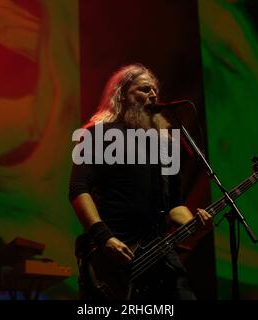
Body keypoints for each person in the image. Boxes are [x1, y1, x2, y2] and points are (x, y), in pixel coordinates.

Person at [69, 64, 212, 300]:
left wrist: (194, 222)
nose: (153, 95)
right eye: (144, 89)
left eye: (155, 90)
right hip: (114, 252)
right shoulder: (98, 134)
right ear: (123, 94)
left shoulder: (166, 144)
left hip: (158, 251)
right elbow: (77, 189)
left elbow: (175, 205)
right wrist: (105, 238)